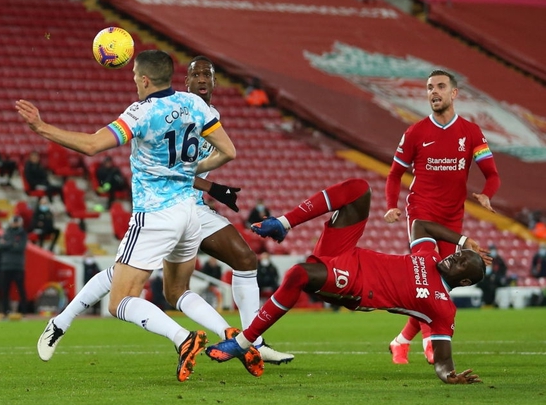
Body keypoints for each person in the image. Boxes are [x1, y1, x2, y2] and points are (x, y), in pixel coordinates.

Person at [26, 55, 292, 367]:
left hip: (156, 213)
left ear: (144, 79)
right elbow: (228, 152)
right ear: (182, 80)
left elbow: (92, 145)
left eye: (135, 74)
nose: (203, 81)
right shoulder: (196, 108)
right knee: (164, 285)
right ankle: (236, 336)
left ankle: (188, 338)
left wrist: (41, 127)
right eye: (197, 75)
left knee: (120, 299)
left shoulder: (141, 112)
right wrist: (199, 180)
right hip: (188, 214)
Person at [206, 178, 489, 384]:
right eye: (459, 254)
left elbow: (443, 359)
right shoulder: (428, 254)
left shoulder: (442, 306)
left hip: (356, 286)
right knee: (359, 189)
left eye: (462, 261)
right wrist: (463, 240)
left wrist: (448, 375)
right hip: (346, 253)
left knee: (298, 274)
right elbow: (420, 225)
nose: (455, 257)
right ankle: (284, 222)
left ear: (463, 280)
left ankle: (244, 342)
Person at [384, 69, 500, 365]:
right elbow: (395, 173)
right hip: (421, 213)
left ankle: (400, 341)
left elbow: (492, 174)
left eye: (439, 86)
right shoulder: (415, 132)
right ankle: (429, 343)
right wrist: (391, 204)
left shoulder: (471, 132)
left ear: (454, 93)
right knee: (426, 278)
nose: (433, 92)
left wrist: (487, 192)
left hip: (452, 218)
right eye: (428, 87)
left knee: (443, 286)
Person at [0, 215, 28, 316]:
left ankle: (24, 311)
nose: (15, 224)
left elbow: (20, 247)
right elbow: (1, 245)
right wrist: (12, 244)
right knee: (5, 290)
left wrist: (8, 244)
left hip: (18, 266)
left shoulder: (22, 233)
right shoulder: (6, 232)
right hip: (6, 266)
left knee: (21, 289)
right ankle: (5, 312)